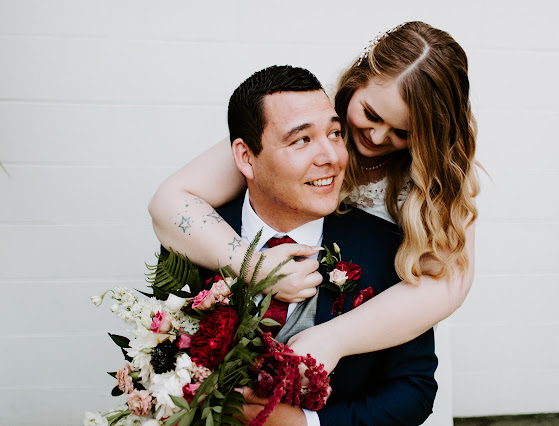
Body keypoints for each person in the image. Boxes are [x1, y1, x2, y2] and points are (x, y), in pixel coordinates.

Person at [149, 21, 478, 376]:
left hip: (383, 342)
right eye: (370, 114)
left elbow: (448, 284)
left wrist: (334, 339)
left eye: (402, 132)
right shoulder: (308, 119)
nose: (377, 136)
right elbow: (169, 202)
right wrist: (255, 267)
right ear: (357, 81)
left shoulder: (439, 172)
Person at [195, 64, 437, 425]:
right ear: (246, 157)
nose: (331, 157)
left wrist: (306, 423)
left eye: (335, 134)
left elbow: (414, 391)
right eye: (302, 140)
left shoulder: (387, 249)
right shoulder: (197, 240)